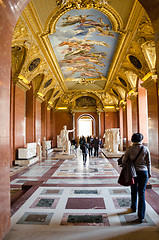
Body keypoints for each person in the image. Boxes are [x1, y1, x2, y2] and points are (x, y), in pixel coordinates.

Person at [122, 133, 151, 223]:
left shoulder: (129, 149)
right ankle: (141, 216)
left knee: (134, 190)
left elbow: (124, 161)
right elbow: (148, 162)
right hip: (144, 172)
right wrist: (149, 173)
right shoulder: (145, 149)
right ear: (141, 140)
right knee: (141, 193)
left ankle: (133, 207)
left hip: (133, 173)